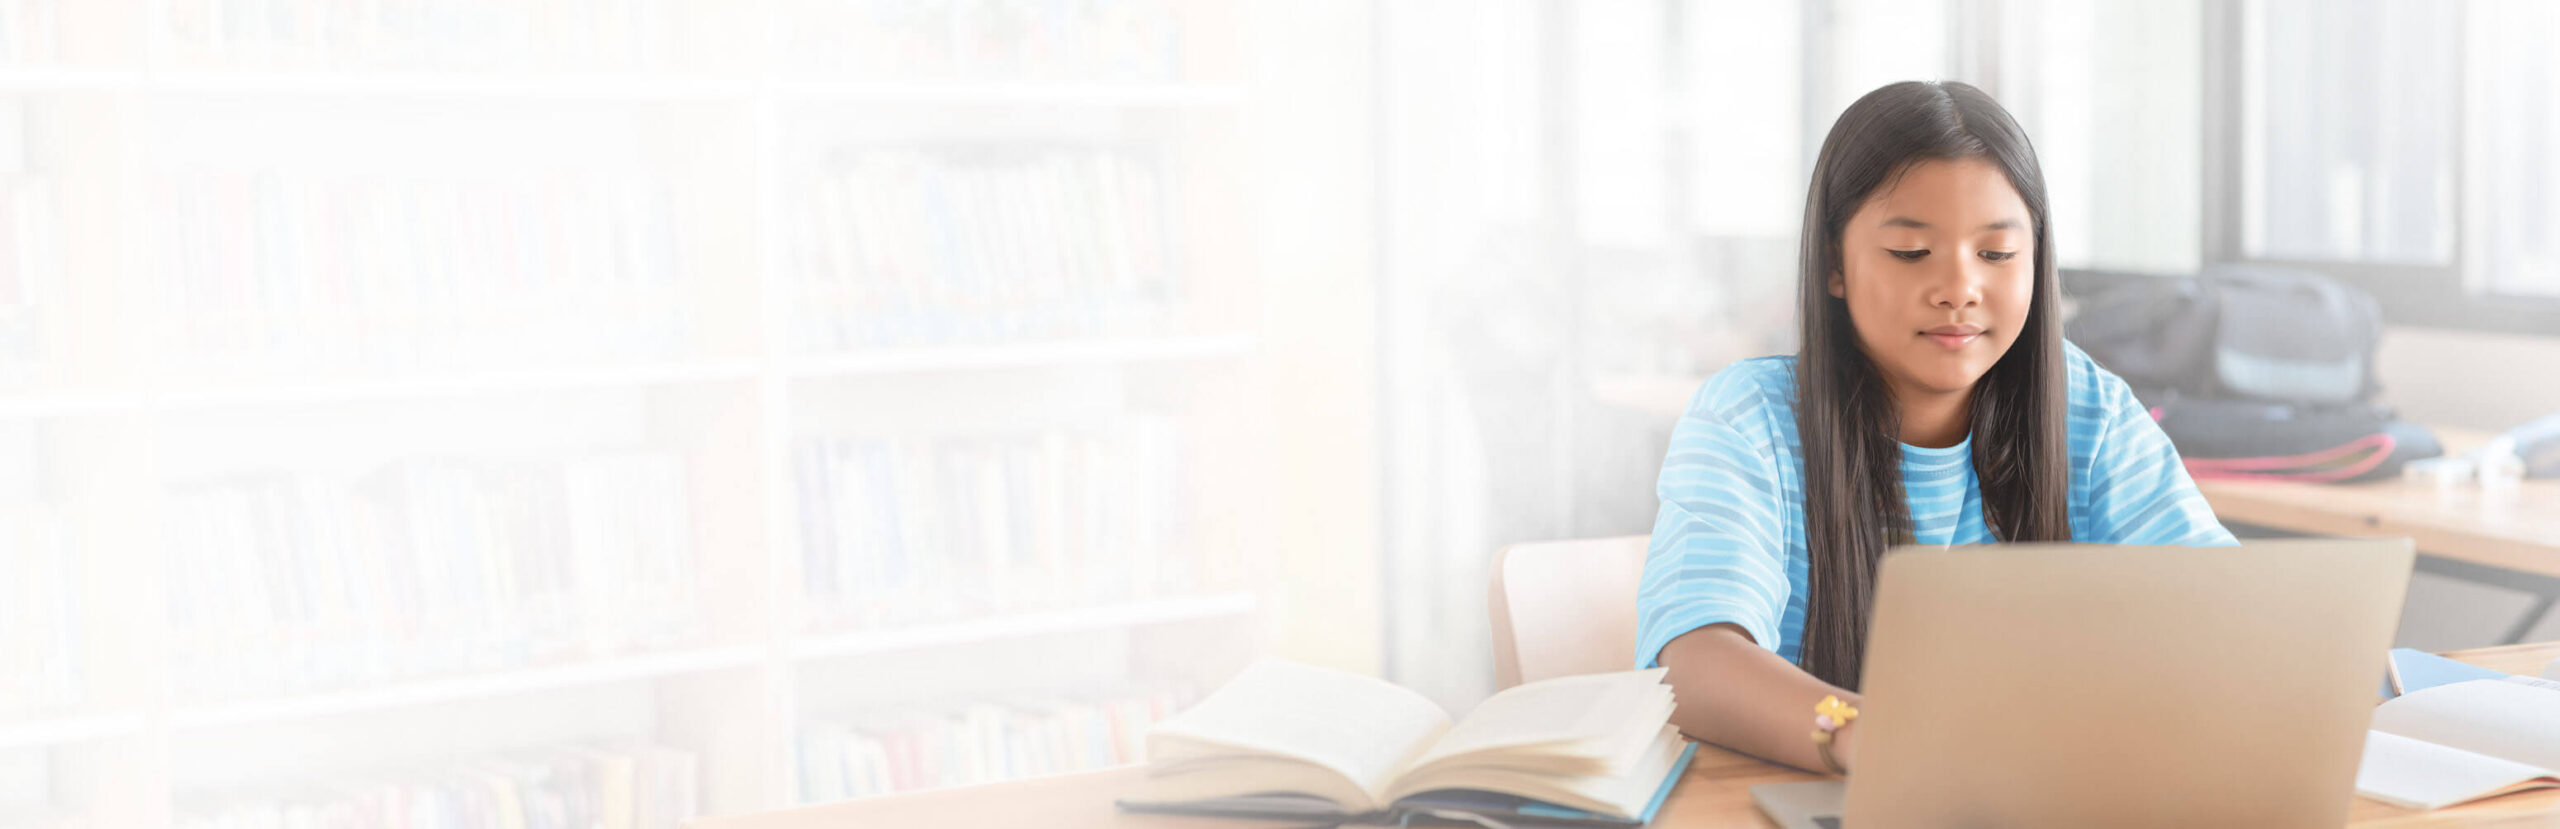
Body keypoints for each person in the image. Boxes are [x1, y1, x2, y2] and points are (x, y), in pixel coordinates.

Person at [1635, 80, 2237, 776]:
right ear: (1834, 263)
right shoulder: (1751, 419)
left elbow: (2221, 607)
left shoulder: (2087, 410)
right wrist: (1879, 738)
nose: (1959, 288)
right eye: (1912, 252)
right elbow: (1698, 664)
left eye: (1997, 254)